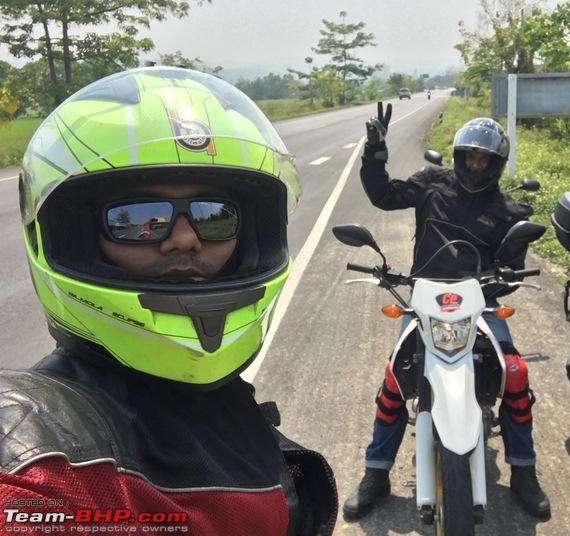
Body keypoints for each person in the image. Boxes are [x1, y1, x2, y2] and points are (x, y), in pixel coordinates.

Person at [0, 67, 337, 535]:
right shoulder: (40, 455)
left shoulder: (222, 399)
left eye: (214, 216)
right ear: (72, 235)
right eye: (138, 218)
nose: (184, 239)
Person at [343, 104, 551, 521]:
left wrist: (502, 276)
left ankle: (524, 470)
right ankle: (376, 472)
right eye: (470, 156)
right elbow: (383, 195)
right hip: (425, 297)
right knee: (394, 376)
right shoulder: (431, 184)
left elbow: (511, 266)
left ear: (496, 163)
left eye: (484, 159)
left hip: (481, 301)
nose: (475, 164)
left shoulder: (509, 210)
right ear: (458, 157)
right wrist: (375, 150)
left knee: (515, 373)